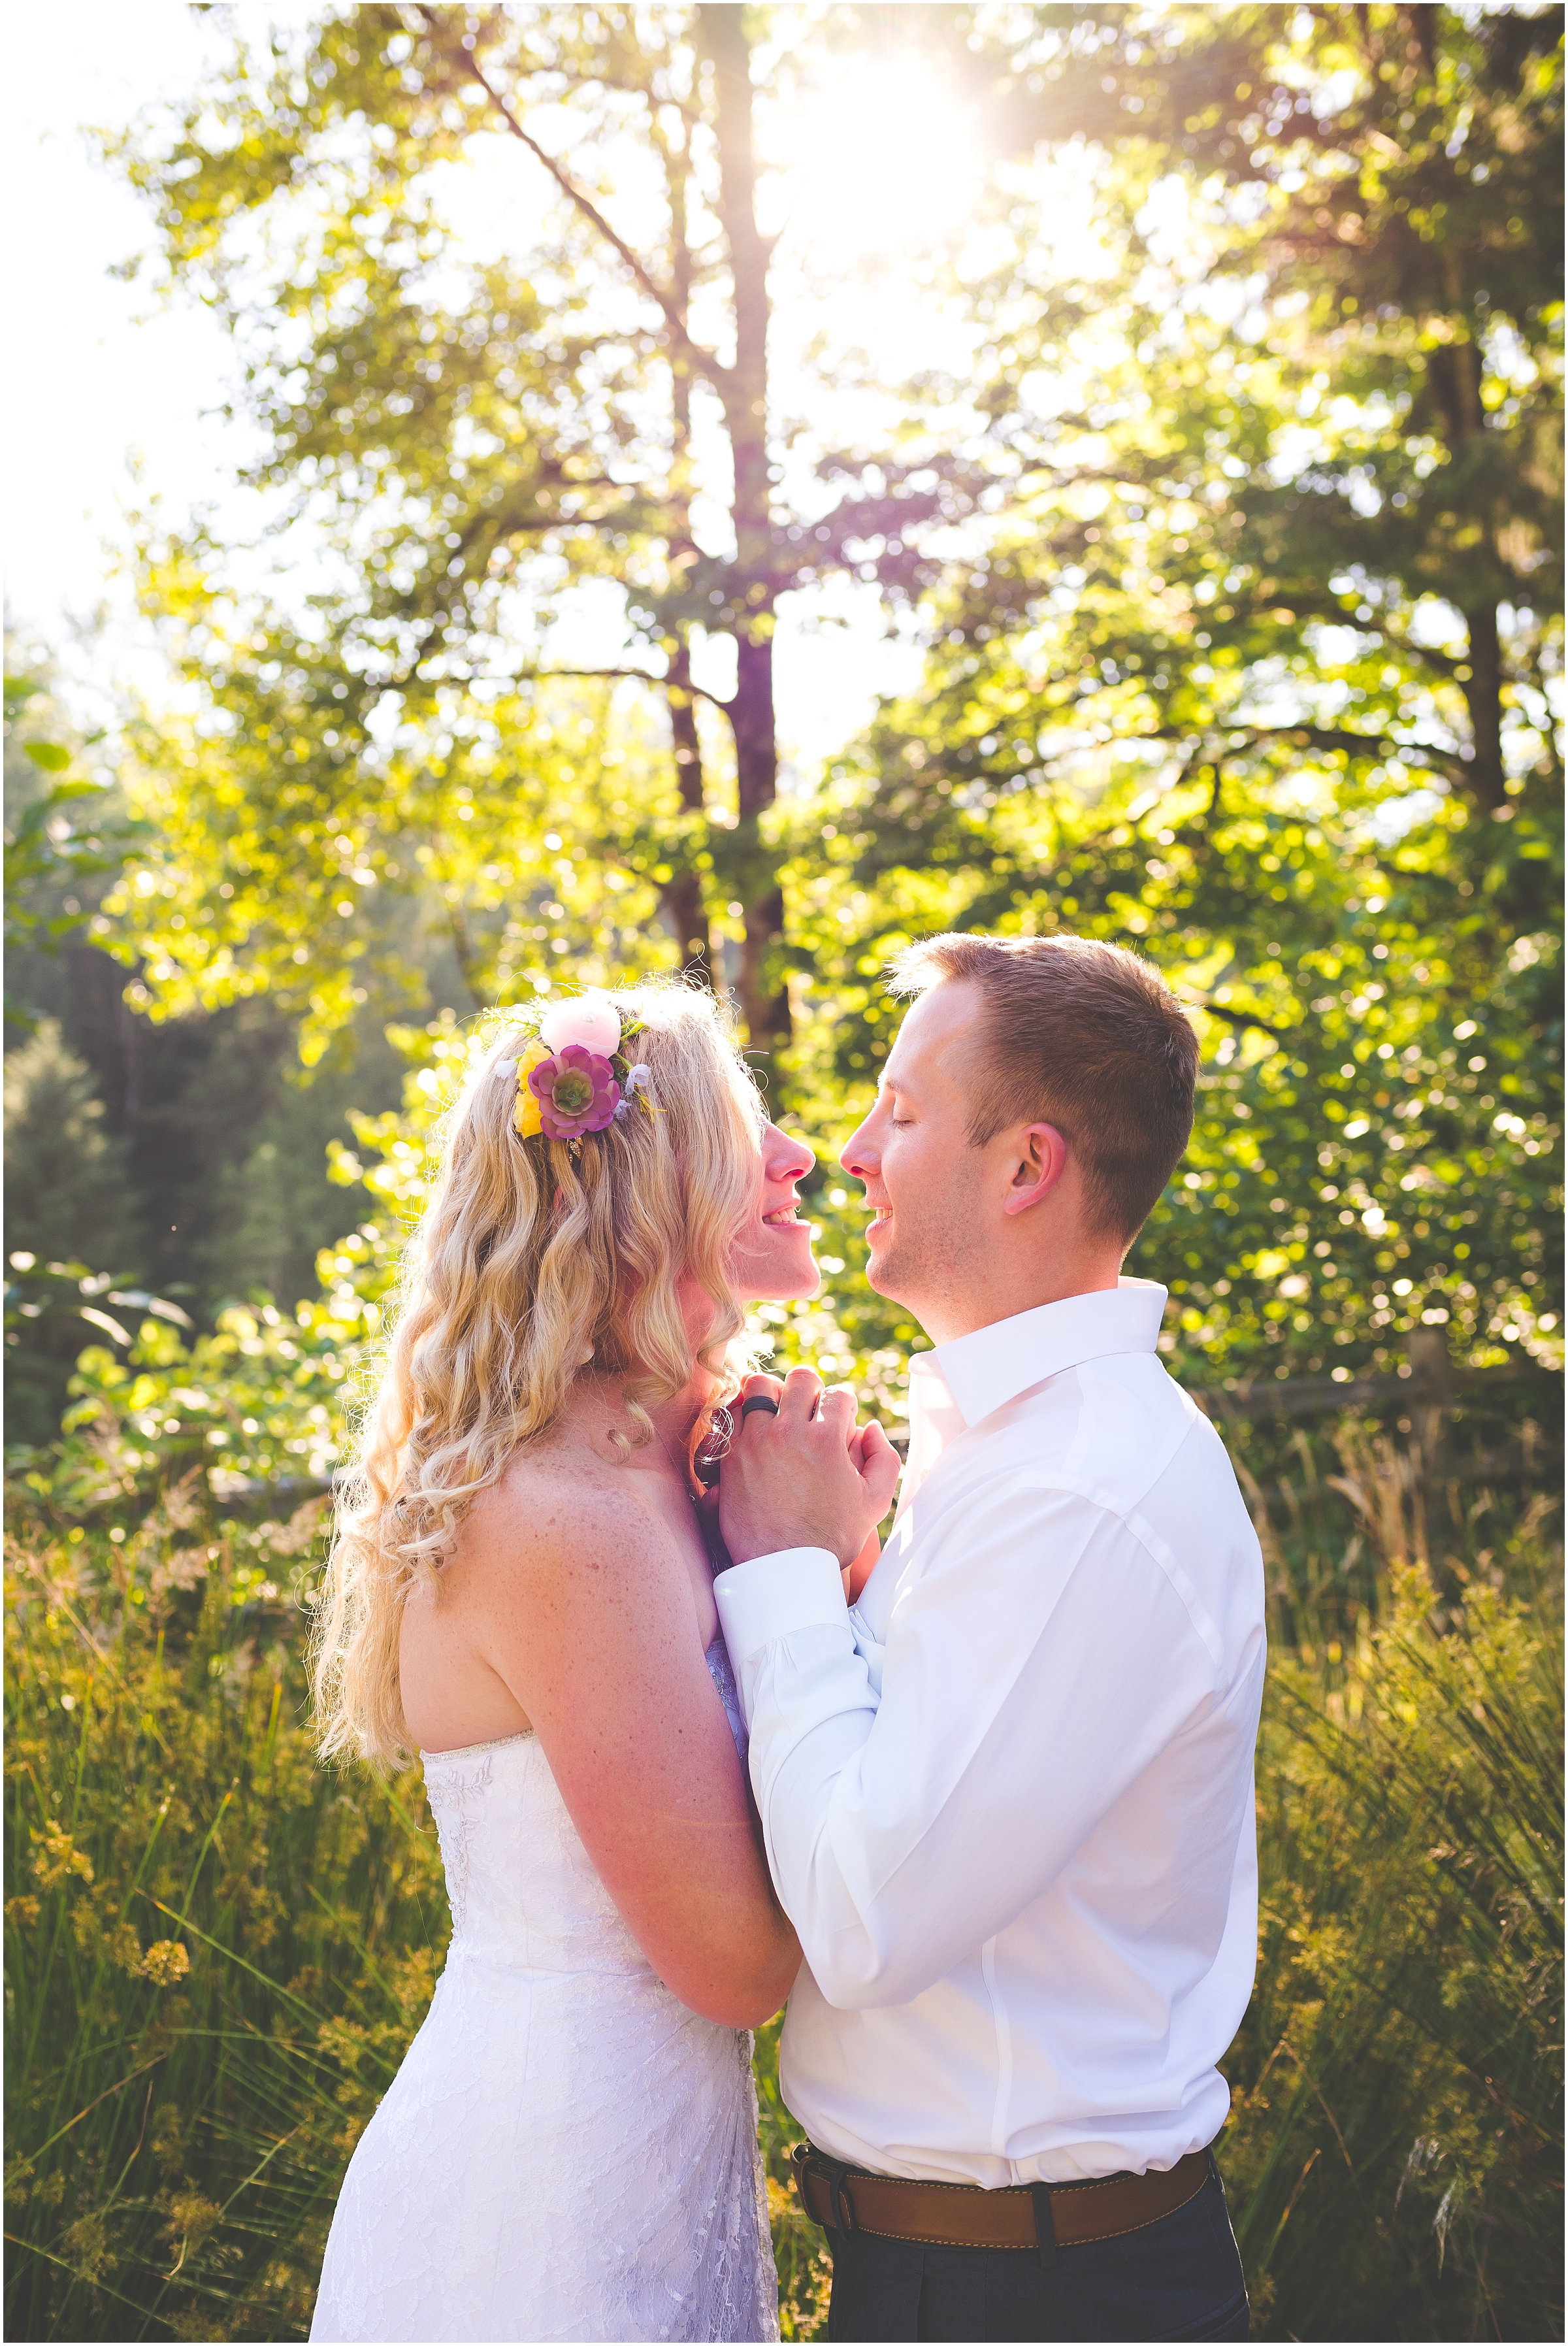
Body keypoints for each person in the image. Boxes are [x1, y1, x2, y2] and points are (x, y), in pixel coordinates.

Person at [713, 933, 1265, 2343]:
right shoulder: (1005, 1449)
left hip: (1040, 2296)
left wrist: (779, 1573)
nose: (850, 1150)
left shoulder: (1076, 1491)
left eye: (899, 1114)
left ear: (1026, 1168)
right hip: (960, 2271)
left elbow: (862, 1920)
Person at [308, 978, 816, 2345]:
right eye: (746, 1130)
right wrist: (793, 1570)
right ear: (644, 1188)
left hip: (653, 2156)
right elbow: (738, 1964)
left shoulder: (683, 1451)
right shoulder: (557, 1521)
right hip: (544, 2208)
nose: (798, 1160)